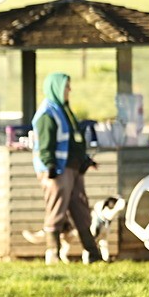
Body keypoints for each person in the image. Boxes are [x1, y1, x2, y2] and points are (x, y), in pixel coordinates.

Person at [32, 72, 103, 264]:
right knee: (56, 211)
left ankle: (92, 253)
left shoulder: (64, 110)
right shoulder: (47, 113)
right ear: (56, 88)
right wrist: (51, 166)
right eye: (66, 86)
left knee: (81, 211)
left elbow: (73, 141)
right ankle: (52, 253)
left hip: (73, 169)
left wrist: (85, 160)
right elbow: (45, 145)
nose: (69, 90)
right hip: (58, 171)